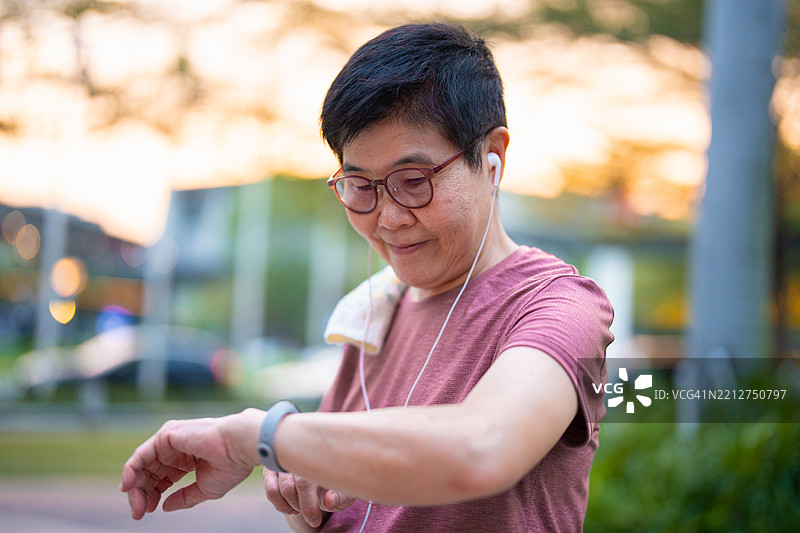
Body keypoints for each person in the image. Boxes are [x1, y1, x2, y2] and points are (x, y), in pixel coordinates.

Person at [120, 22, 614, 532]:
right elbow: (338, 509)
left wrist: (258, 436)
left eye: (413, 181)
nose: (388, 217)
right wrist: (301, 486)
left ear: (493, 158)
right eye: (361, 186)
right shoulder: (378, 308)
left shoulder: (558, 306)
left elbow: (481, 448)